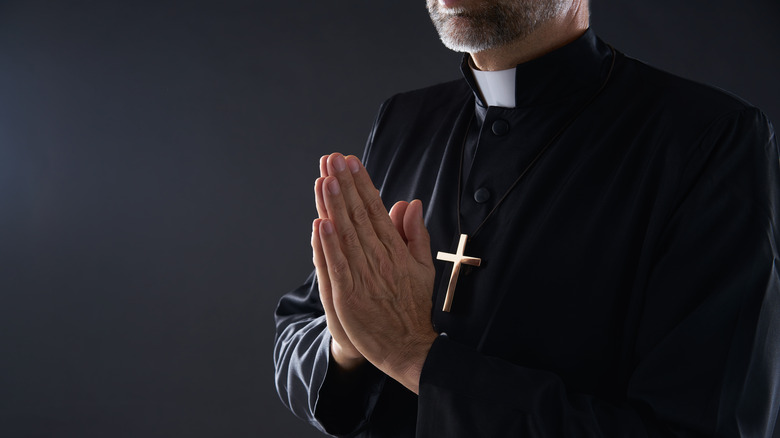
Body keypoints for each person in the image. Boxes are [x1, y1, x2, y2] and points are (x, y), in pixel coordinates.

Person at [274, 0, 780, 436]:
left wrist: (414, 355)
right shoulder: (404, 119)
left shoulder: (709, 141)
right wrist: (348, 342)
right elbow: (299, 328)